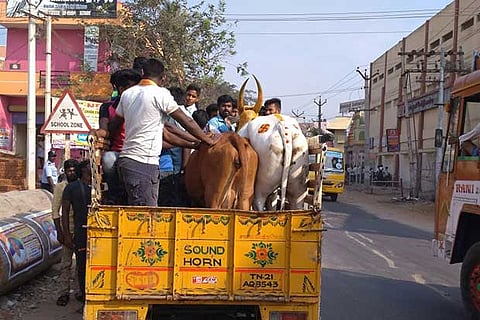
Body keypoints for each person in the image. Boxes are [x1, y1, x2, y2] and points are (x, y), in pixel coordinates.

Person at [112, 58, 216, 206]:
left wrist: (195, 145)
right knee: (144, 216)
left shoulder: (128, 94)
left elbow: (166, 134)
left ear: (142, 73)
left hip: (128, 161)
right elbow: (186, 120)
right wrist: (208, 140)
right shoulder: (160, 93)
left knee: (141, 210)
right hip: (143, 163)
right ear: (163, 78)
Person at [99, 69, 142, 204]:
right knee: (108, 159)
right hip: (118, 152)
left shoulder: (143, 106)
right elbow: (104, 130)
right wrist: (96, 133)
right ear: (122, 89)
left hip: (139, 151)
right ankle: (114, 193)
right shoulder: (108, 107)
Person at [61, 160, 91, 304]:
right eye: (90, 166)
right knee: (81, 265)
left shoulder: (97, 187)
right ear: (84, 170)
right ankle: (83, 296)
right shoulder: (71, 188)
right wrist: (66, 235)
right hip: (81, 232)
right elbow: (64, 212)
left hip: (96, 233)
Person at [51, 158, 78, 306]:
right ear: (65, 172)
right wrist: (60, 232)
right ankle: (64, 293)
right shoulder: (61, 187)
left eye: (74, 170)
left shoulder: (82, 185)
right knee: (66, 264)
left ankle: (79, 291)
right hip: (67, 230)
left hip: (80, 230)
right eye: (69, 170)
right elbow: (56, 211)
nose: (72, 173)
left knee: (80, 264)